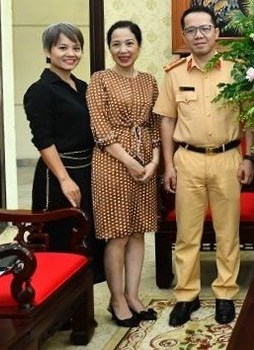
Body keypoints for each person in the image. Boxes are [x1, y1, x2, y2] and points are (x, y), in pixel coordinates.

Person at [153, 5, 254, 327]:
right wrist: (168, 165)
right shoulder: (174, 74)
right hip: (188, 160)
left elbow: (251, 119)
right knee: (187, 234)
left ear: (216, 32)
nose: (199, 35)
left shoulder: (236, 72)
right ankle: (186, 295)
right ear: (184, 36)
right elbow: (167, 121)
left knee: (228, 232)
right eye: (192, 30)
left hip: (228, 159)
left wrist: (250, 157)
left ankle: (225, 293)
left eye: (205, 28)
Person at [87, 21, 160, 327]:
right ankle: (116, 300)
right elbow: (99, 128)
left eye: (129, 43)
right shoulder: (99, 79)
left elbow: (156, 122)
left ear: (139, 45)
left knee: (138, 231)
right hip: (111, 161)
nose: (123, 50)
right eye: (116, 44)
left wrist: (155, 160)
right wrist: (129, 161)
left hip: (146, 162)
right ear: (109, 48)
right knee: (117, 234)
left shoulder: (149, 80)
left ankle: (133, 295)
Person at [23, 22, 105, 283]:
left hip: (88, 169)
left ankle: (82, 307)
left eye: (76, 47)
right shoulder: (40, 91)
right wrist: (64, 179)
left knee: (89, 238)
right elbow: (43, 140)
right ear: (48, 51)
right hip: (58, 175)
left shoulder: (83, 87)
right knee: (62, 238)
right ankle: (61, 310)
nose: (71, 53)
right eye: (62, 47)